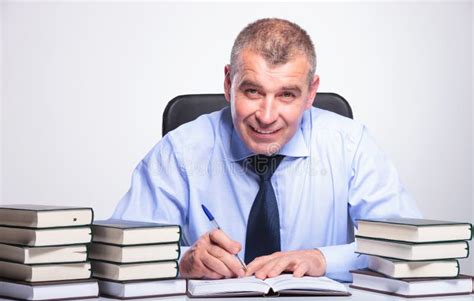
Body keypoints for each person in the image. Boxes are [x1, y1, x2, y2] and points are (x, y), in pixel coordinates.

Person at [112, 18, 421, 282]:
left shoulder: (351, 145)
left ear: (311, 93)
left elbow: (408, 247)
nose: (267, 115)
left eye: (287, 95)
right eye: (252, 91)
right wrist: (183, 261)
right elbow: (122, 254)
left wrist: (322, 260)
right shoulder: (179, 152)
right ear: (228, 83)